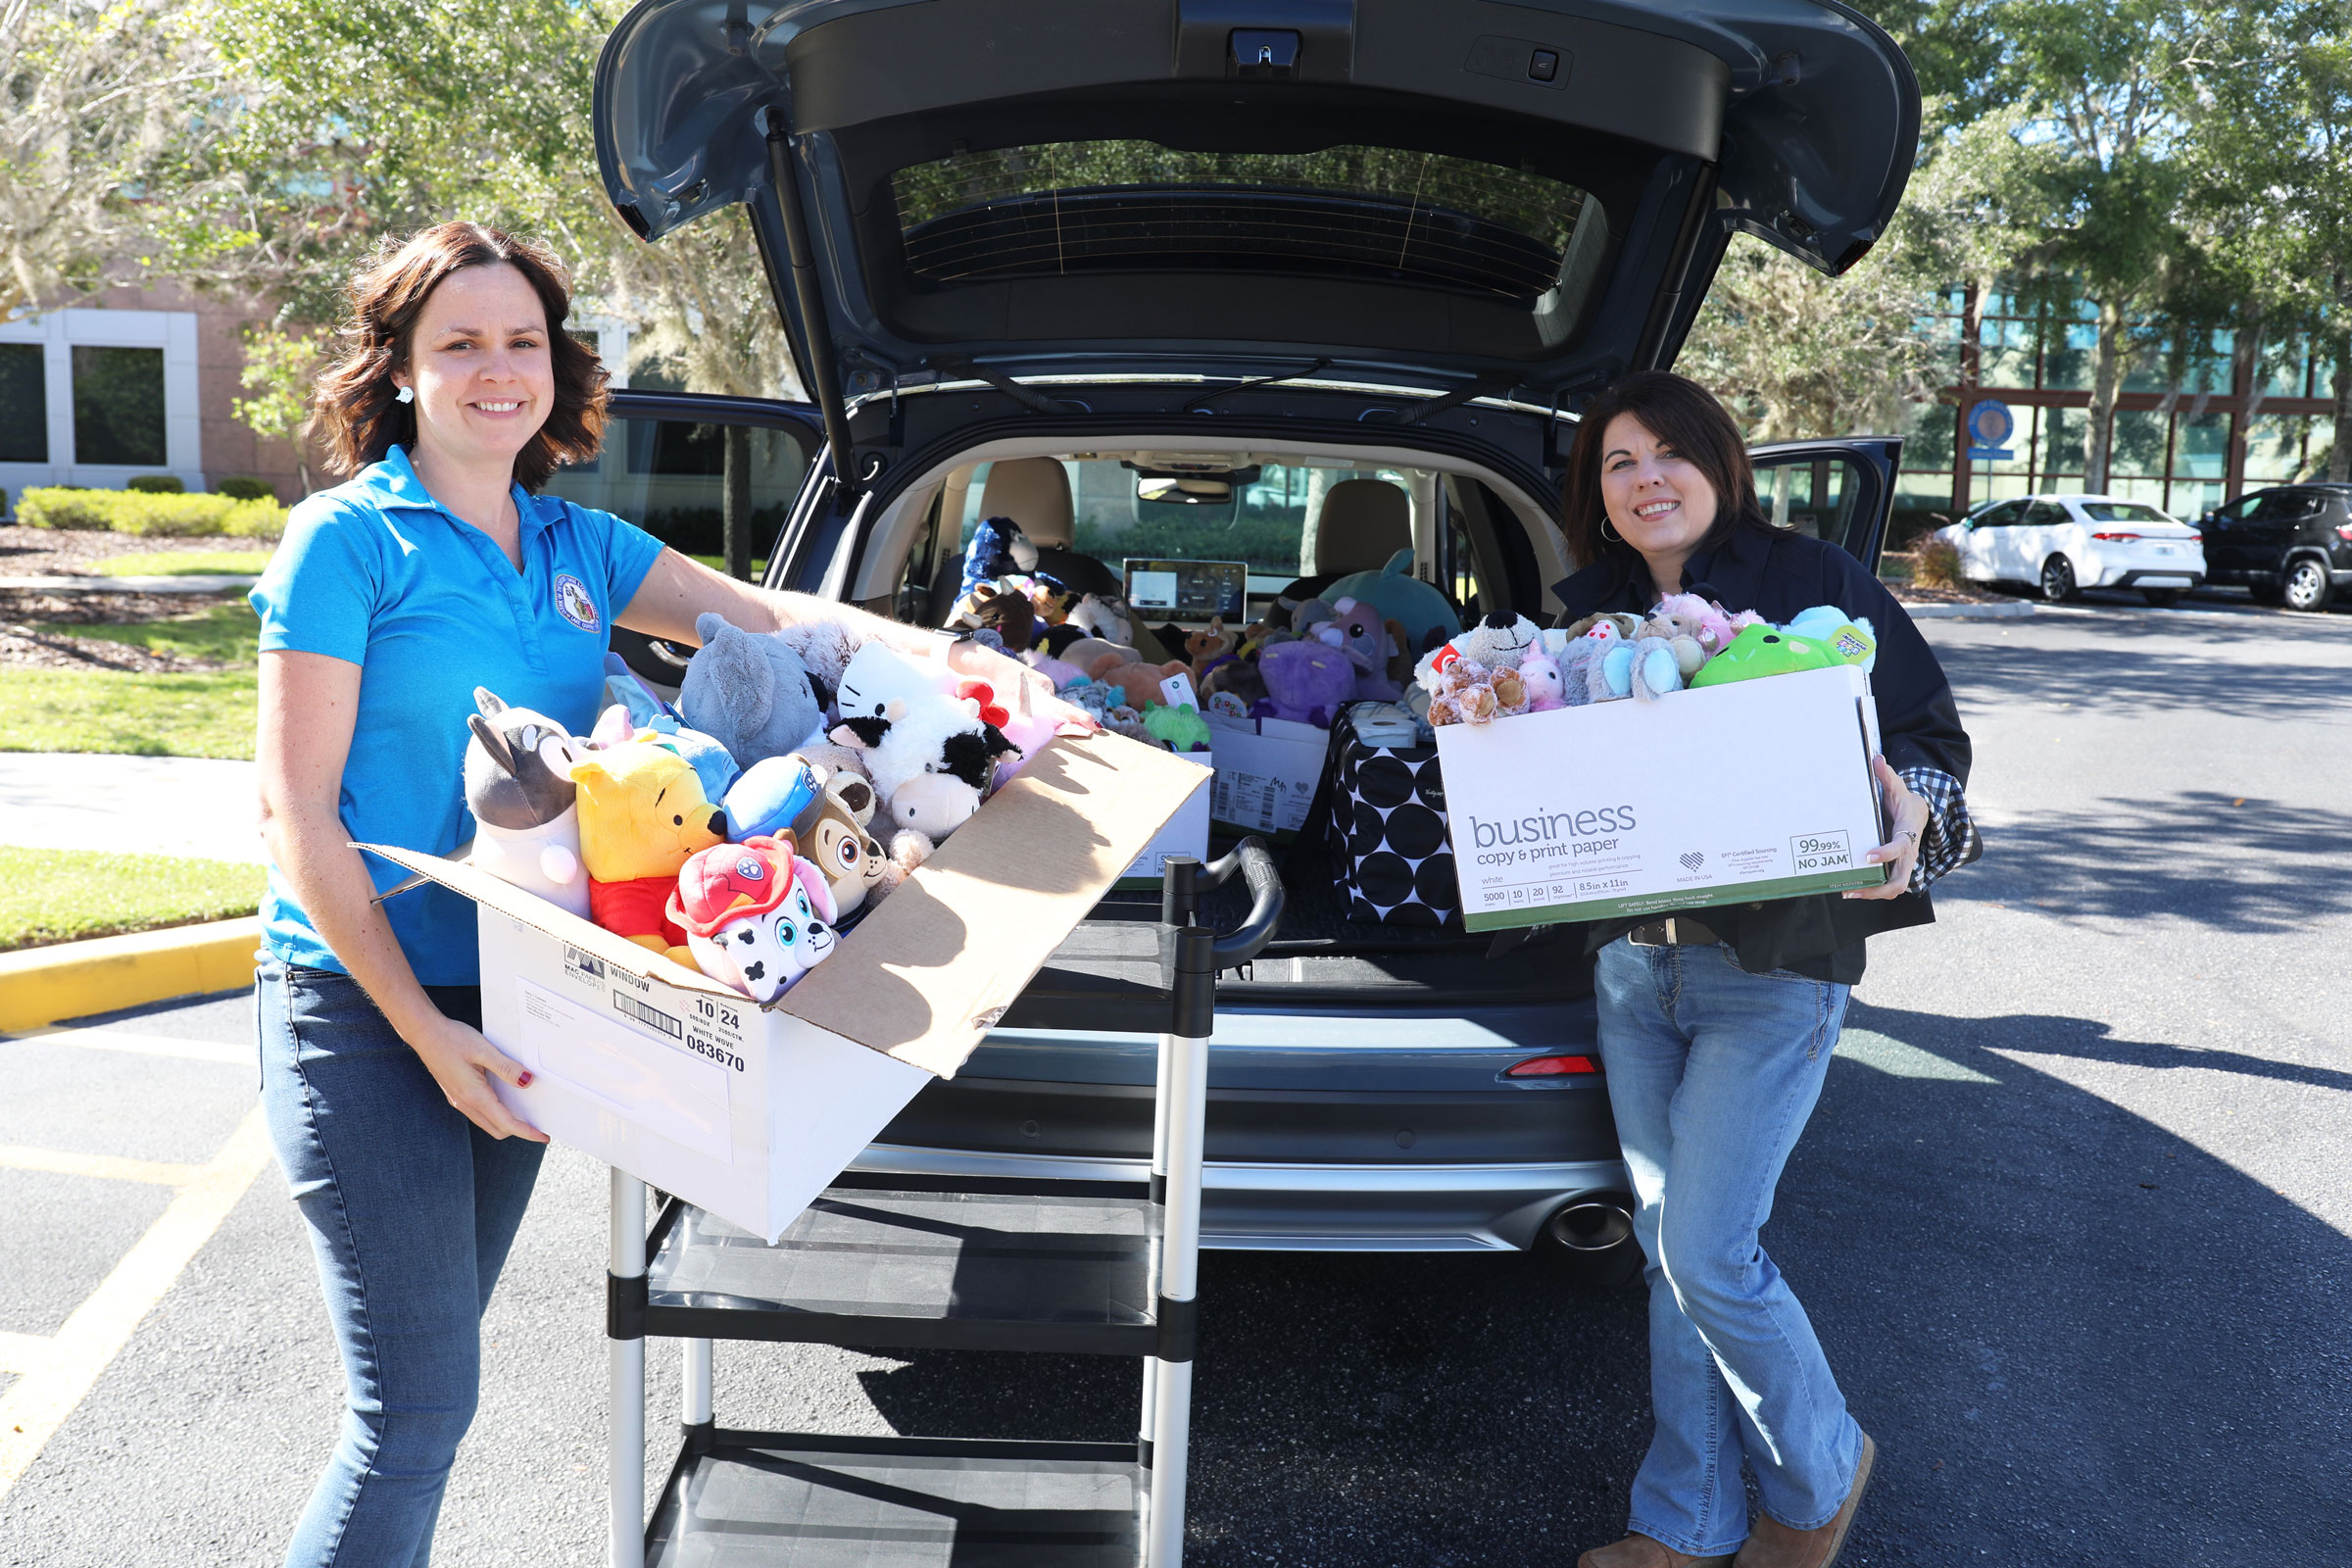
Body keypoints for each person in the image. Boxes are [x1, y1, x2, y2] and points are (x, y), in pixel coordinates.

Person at [248, 221, 1078, 1568]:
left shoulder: (574, 542)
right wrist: (419, 1030)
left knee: (431, 1403)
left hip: (521, 1006)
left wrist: (987, 673)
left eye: (521, 340)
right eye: (458, 344)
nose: (496, 369)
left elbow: (778, 622)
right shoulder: (343, 548)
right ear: (400, 369)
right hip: (364, 1016)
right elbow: (296, 816)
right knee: (413, 1412)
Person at [1556, 373, 1981, 1568]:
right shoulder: (1584, 613)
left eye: (1666, 454)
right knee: (1667, 1251)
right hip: (1636, 971)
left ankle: (1822, 1471)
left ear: (1720, 462)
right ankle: (1683, 1525)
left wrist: (1912, 819)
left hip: (1776, 970)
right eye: (1617, 462)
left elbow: (1931, 747)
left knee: (1707, 1251)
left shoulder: (1815, 583)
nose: (1644, 479)